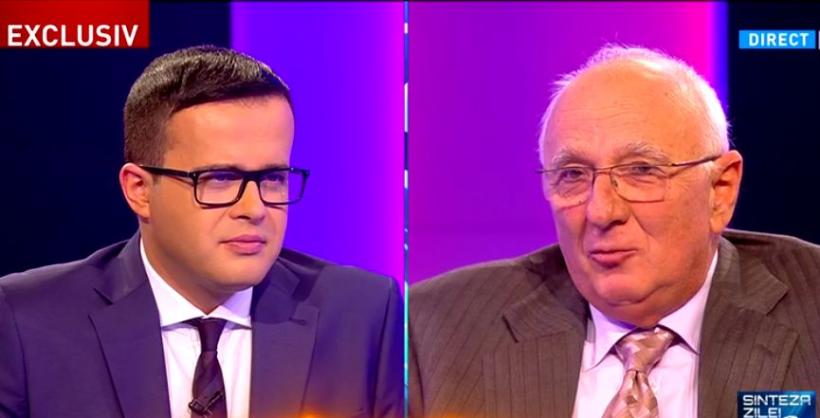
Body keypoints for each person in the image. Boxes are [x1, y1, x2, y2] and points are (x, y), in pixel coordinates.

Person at [409, 44, 820, 418]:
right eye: (572, 175)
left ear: (720, 191)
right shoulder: (432, 332)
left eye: (641, 171)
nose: (601, 211)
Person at [0, 45, 402, 418]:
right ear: (139, 190)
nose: (254, 209)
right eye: (220, 179)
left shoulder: (361, 313)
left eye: (273, 178)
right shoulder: (26, 322)